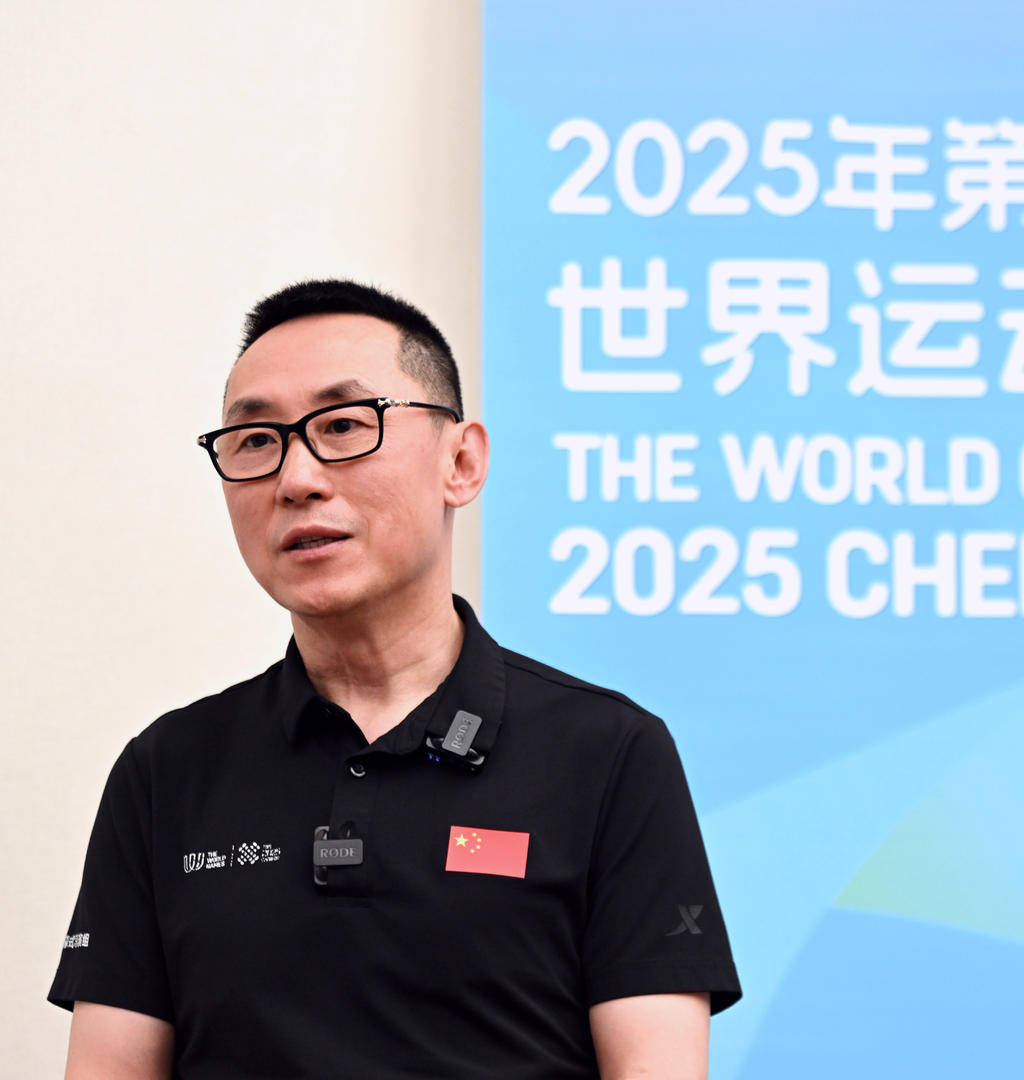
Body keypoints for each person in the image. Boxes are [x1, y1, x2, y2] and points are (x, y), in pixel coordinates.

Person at [48, 279, 741, 1078]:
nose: (296, 478)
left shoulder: (609, 753)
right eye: (256, 440)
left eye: (344, 425)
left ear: (461, 462)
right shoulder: (167, 770)